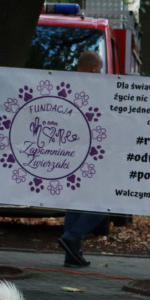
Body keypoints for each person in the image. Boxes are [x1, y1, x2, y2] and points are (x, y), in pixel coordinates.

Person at [58, 49, 110, 267]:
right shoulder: (93, 87)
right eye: (100, 69)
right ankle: (72, 238)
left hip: (68, 152)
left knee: (75, 201)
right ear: (94, 68)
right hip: (89, 152)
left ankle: (72, 252)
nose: (101, 73)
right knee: (104, 203)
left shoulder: (66, 84)